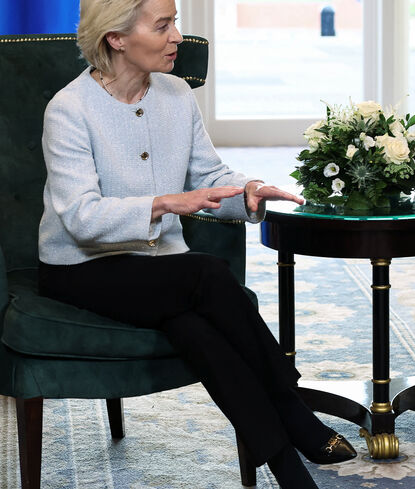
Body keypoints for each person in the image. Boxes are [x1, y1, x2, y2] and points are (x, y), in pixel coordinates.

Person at [37, 0, 355, 487]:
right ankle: (294, 411)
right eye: (163, 25)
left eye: (175, 22)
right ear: (116, 38)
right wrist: (165, 203)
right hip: (80, 268)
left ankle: (288, 470)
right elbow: (80, 218)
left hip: (162, 269)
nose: (178, 36)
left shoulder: (176, 95)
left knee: (196, 329)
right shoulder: (69, 109)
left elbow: (209, 178)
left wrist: (248, 193)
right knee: (207, 274)